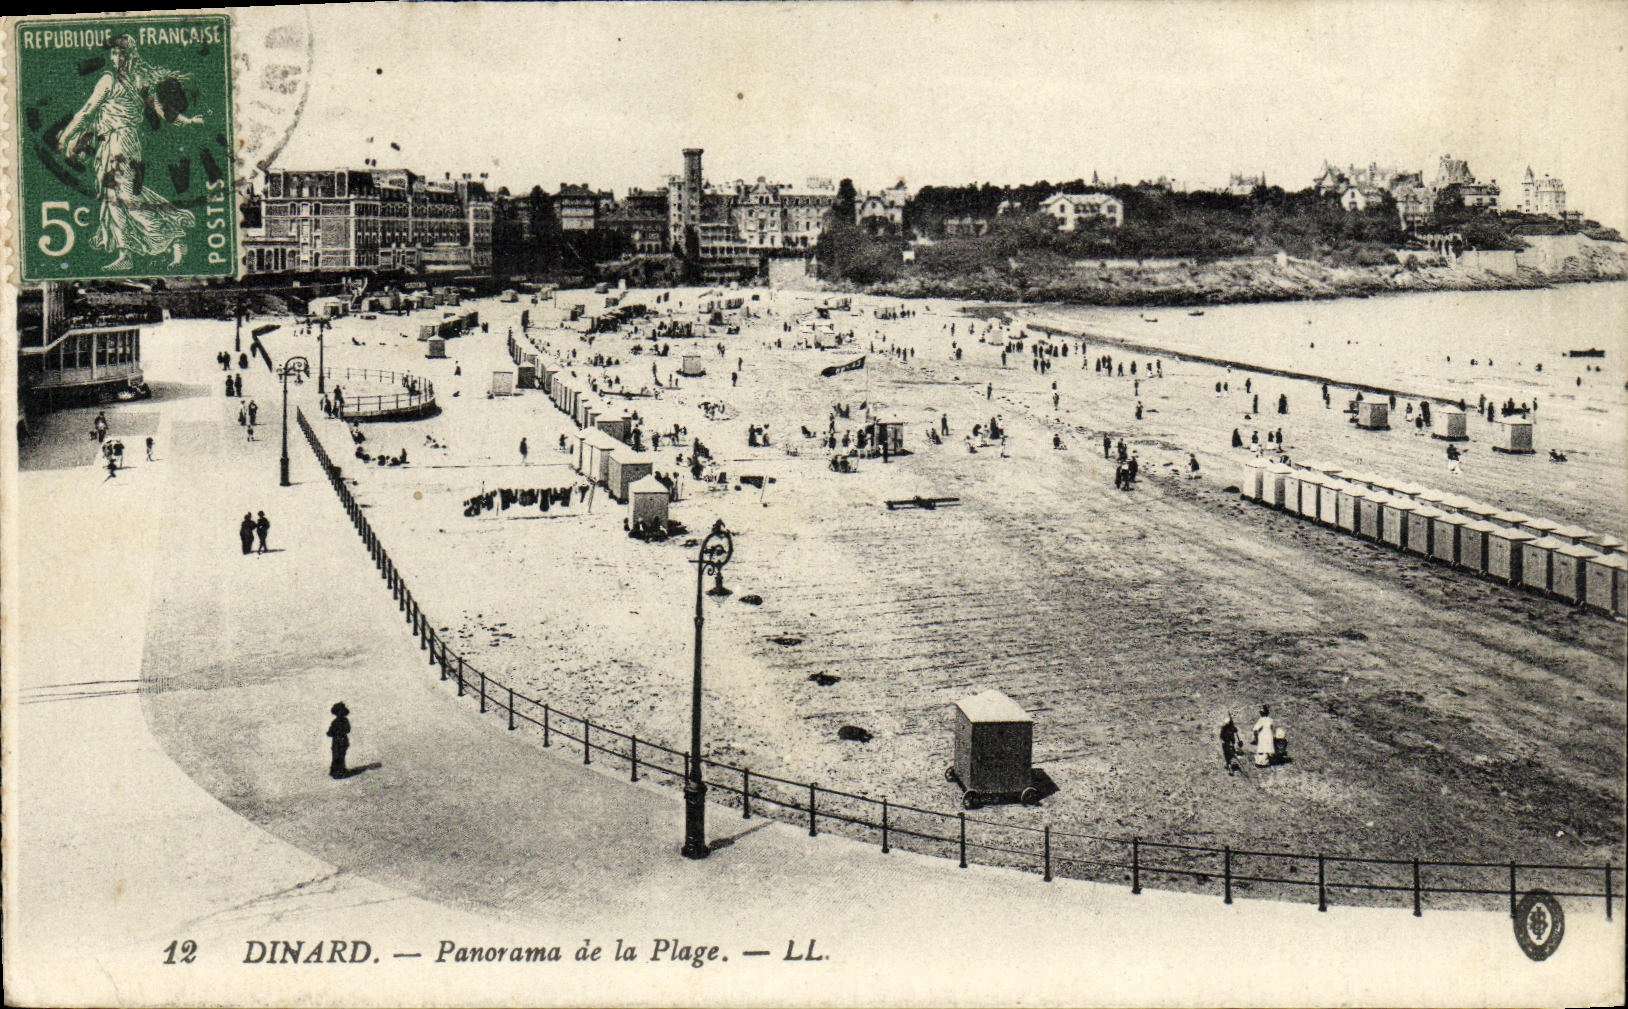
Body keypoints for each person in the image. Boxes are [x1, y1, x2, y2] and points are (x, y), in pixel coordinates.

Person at [55, 34, 202, 271]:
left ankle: (174, 237)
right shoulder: (111, 79)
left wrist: (186, 121)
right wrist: (69, 135)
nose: (116, 57)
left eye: (121, 53)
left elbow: (158, 109)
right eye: (113, 53)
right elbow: (89, 112)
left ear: (130, 55)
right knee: (113, 199)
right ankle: (125, 254)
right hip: (109, 142)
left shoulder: (130, 80)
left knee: (128, 197)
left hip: (123, 141)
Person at [327, 703, 351, 779]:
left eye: (341, 712)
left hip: (341, 741)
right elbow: (330, 732)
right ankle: (337, 771)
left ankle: (339, 771)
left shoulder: (341, 721)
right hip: (337, 742)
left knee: (340, 756)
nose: (340, 714)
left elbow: (348, 729)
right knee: (337, 756)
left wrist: (336, 732)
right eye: (338, 712)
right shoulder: (335, 722)